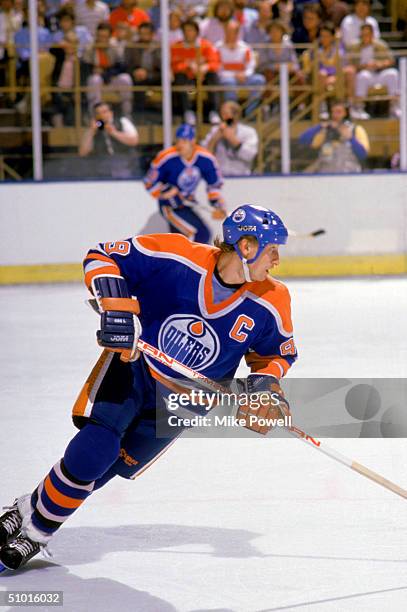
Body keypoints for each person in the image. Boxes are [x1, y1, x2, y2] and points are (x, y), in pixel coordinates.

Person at [0, 204, 297, 572]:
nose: (278, 260)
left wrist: (265, 386)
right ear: (247, 247)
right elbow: (102, 256)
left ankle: (28, 507)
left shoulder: (273, 299)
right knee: (94, 451)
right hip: (135, 368)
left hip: (184, 404)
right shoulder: (176, 255)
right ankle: (37, 533)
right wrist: (118, 309)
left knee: (101, 471)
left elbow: (275, 354)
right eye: (273, 250)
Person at [144, 123, 226, 244]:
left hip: (188, 205)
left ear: (193, 141)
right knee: (199, 234)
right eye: (178, 140)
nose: (179, 144)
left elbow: (214, 185)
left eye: (184, 140)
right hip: (169, 206)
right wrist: (166, 191)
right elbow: (149, 183)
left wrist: (218, 205)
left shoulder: (206, 159)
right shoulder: (166, 157)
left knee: (180, 241)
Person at [171, 19, 221, 125]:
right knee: (180, 78)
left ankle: (214, 112)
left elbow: (215, 63)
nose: (188, 33)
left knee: (213, 76)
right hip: (188, 81)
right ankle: (188, 112)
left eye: (191, 30)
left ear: (197, 32)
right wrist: (188, 66)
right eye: (185, 30)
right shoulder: (177, 46)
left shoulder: (206, 45)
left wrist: (205, 67)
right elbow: (174, 66)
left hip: (203, 78)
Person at [298, 99, 370, 173]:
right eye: (333, 112)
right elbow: (303, 140)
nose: (335, 115)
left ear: (346, 113)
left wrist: (351, 138)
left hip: (349, 176)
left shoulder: (356, 130)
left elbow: (363, 154)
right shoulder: (325, 131)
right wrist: (320, 126)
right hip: (327, 176)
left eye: (339, 112)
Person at [347, 23, 400, 119]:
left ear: (372, 34)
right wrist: (364, 66)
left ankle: (395, 106)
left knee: (393, 74)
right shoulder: (354, 47)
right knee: (362, 76)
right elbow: (351, 63)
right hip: (364, 74)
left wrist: (379, 64)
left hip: (379, 73)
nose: (365, 37)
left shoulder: (381, 45)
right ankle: (359, 108)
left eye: (367, 34)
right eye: (363, 34)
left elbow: (391, 60)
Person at [216, 20, 266, 115]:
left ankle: (250, 112)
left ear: (237, 33)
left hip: (244, 78)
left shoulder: (245, 47)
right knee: (229, 83)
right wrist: (235, 75)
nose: (231, 34)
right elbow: (218, 68)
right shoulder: (218, 47)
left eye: (234, 32)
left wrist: (245, 74)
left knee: (259, 80)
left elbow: (251, 65)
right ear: (225, 31)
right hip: (226, 78)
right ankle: (231, 114)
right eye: (228, 31)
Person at [78, 101, 139, 178]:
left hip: (126, 166)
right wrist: (91, 132)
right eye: (98, 113)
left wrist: (114, 133)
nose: (102, 115)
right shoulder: (93, 128)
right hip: (103, 170)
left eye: (104, 112)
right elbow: (82, 153)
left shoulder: (122, 121)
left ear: (111, 113)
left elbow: (134, 141)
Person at [201, 100, 258, 175]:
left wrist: (233, 140)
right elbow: (204, 156)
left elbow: (250, 155)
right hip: (220, 176)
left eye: (226, 114)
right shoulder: (215, 131)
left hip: (242, 177)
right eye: (221, 114)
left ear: (236, 115)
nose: (223, 117)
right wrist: (214, 140)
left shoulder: (249, 132)